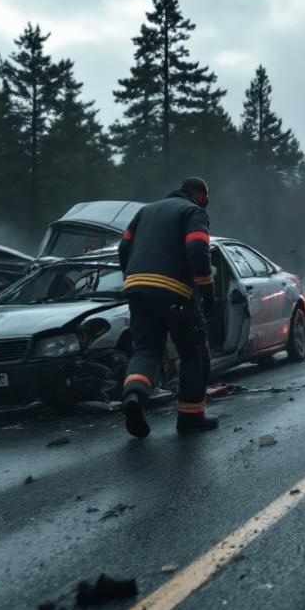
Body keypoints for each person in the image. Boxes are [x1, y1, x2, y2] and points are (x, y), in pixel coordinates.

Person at [117, 177, 218, 437]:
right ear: (202, 196)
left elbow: (123, 247)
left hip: (138, 289)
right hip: (175, 292)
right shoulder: (193, 212)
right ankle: (191, 416)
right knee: (192, 352)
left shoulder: (144, 211)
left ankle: (134, 397)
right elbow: (197, 249)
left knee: (147, 349)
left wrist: (132, 278)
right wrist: (207, 293)